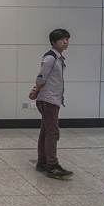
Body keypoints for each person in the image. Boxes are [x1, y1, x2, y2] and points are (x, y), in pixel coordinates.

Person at [28, 28, 74, 179]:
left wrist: (37, 90)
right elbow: (41, 77)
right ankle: (52, 166)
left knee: (46, 131)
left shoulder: (58, 57)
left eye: (67, 39)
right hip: (48, 99)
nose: (65, 42)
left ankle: (42, 161)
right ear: (54, 42)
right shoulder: (50, 58)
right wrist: (36, 91)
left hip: (52, 98)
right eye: (62, 39)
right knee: (53, 132)